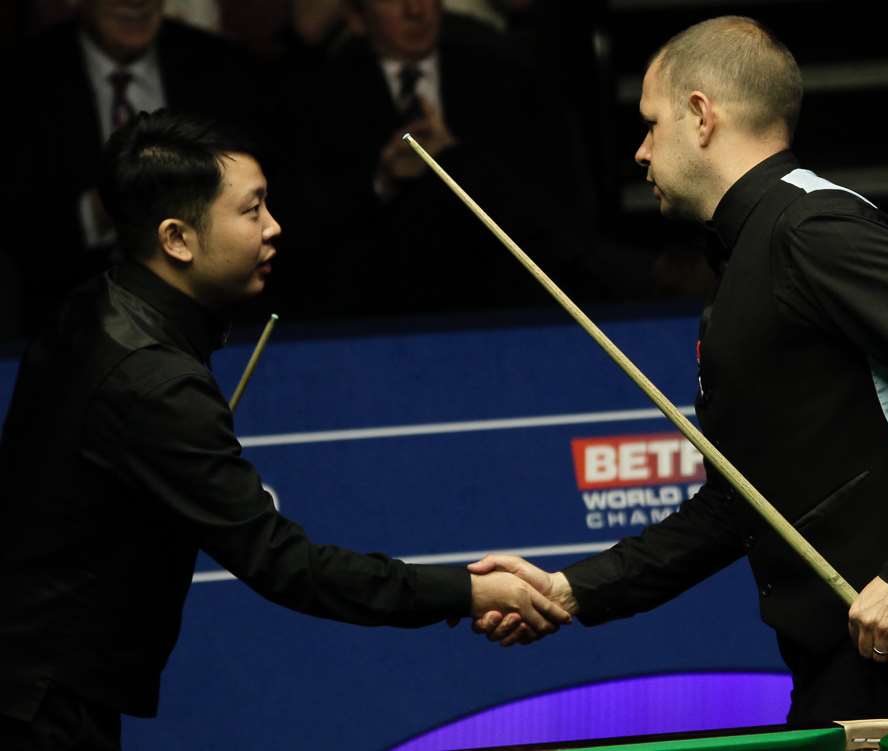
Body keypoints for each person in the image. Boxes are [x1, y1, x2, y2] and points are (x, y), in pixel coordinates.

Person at [467, 16, 888, 726]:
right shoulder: (748, 257)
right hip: (850, 645)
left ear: (700, 115)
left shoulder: (810, 226)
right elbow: (739, 503)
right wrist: (571, 589)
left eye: (650, 123)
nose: (639, 151)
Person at [0, 110, 570, 750]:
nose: (274, 229)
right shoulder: (151, 382)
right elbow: (287, 566)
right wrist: (466, 591)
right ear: (177, 238)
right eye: (252, 210)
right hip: (39, 702)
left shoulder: (94, 305)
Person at [277, 0, 601, 318]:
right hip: (376, 310)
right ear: (357, 18)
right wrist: (382, 181)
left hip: (501, 300)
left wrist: (456, 157)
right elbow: (313, 233)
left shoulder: (506, 76)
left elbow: (550, 207)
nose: (415, 10)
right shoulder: (321, 98)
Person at [5, 0, 269, 333]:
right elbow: (17, 221)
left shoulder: (222, 66)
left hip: (213, 310)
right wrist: (101, 209)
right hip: (66, 314)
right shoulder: (25, 78)